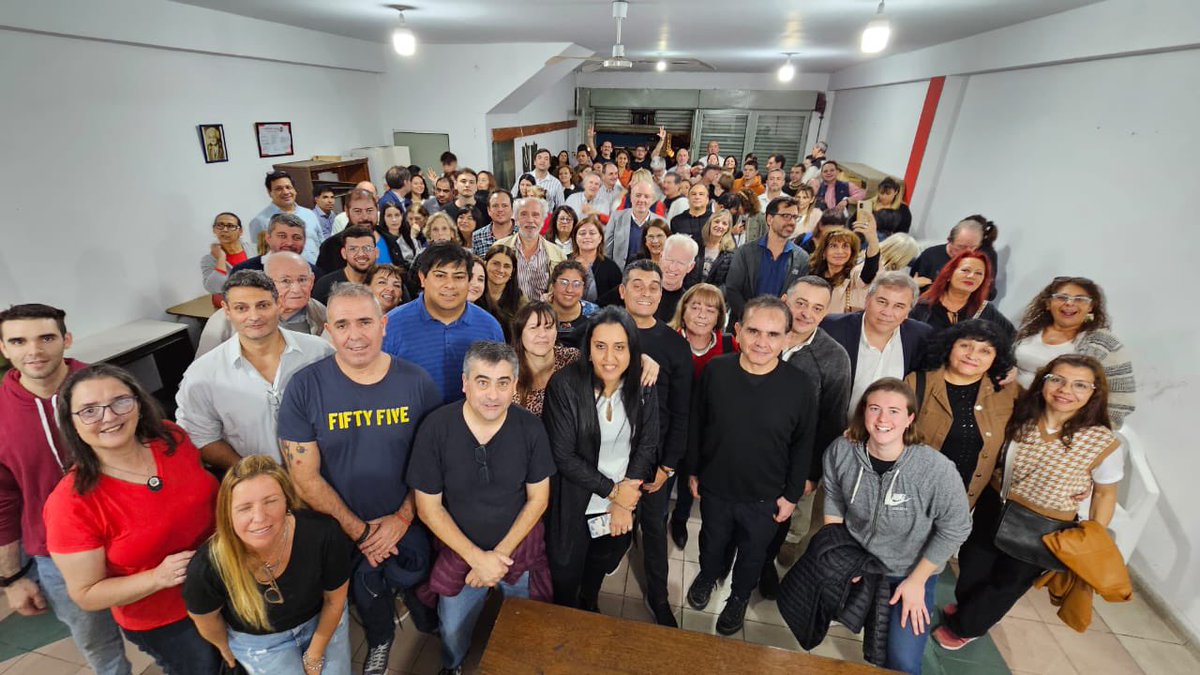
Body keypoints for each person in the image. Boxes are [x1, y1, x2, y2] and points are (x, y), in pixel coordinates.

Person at [277, 283, 442, 675]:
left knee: (415, 569)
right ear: (328, 330)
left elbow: (434, 463)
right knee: (364, 586)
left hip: (406, 516)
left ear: (383, 325)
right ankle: (381, 637)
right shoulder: (304, 387)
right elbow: (304, 478)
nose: (355, 335)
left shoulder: (417, 383)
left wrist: (402, 518)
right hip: (337, 524)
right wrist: (361, 532)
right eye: (343, 324)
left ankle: (414, 600)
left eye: (365, 322)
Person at [934, 355, 1123, 652]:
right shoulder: (1019, 414)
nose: (1065, 390)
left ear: (1094, 393)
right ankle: (972, 610)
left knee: (1008, 583)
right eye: (1057, 379)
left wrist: (1094, 534)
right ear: (1043, 382)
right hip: (994, 506)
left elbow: (1104, 493)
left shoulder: (1101, 441)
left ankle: (967, 627)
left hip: (1046, 525)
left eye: (1079, 385)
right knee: (973, 566)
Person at [44, 364, 221, 673]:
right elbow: (86, 594)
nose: (109, 417)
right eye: (89, 411)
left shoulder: (171, 438)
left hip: (227, 582)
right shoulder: (70, 503)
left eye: (120, 402)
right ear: (72, 424)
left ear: (138, 404)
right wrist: (157, 577)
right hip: (170, 619)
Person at [408, 342, 556, 674]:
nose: (493, 394)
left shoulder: (530, 429)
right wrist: (477, 559)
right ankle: (454, 666)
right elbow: (428, 508)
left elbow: (539, 499)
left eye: (503, 382)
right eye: (483, 381)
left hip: (516, 549)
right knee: (452, 629)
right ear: (465, 382)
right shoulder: (436, 428)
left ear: (514, 386)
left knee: (529, 625)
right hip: (460, 551)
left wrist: (496, 559)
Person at [0, 305, 132, 675]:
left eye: (46, 338)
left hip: (131, 536)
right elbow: (4, 500)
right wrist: (13, 577)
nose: (34, 351)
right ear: (4, 348)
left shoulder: (108, 387)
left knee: (175, 633)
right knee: (100, 648)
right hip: (56, 556)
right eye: (18, 341)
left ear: (66, 339)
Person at [822, 378, 972, 674]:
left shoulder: (936, 469)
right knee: (806, 617)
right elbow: (833, 498)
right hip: (859, 562)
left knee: (902, 661)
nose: (882, 419)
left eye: (894, 411)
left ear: (910, 419)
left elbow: (956, 528)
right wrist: (841, 560)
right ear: (863, 412)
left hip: (908, 572)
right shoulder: (842, 451)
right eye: (874, 408)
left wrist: (917, 582)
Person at [685, 297, 816, 635]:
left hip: (767, 496)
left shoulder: (800, 386)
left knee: (752, 554)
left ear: (787, 338)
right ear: (738, 331)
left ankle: (739, 598)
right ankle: (707, 576)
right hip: (716, 485)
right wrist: (694, 470)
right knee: (711, 543)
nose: (762, 342)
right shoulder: (717, 371)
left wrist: (791, 496)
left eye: (773, 334)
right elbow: (698, 423)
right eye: (754, 331)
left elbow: (804, 444)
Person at [184, 457, 353, 675]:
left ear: (287, 501)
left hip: (322, 619)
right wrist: (225, 649)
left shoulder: (323, 533)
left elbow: (335, 600)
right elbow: (206, 619)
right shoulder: (208, 566)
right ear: (228, 513)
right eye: (245, 508)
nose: (260, 517)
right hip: (260, 642)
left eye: (271, 501)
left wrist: (314, 655)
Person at [542, 307, 658, 611]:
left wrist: (623, 498)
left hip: (617, 506)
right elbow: (563, 456)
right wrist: (617, 494)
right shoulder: (565, 385)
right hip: (576, 503)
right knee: (566, 576)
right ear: (588, 349)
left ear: (632, 349)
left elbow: (647, 442)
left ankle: (589, 604)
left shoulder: (643, 385)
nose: (610, 357)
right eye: (600, 346)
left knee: (600, 563)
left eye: (620, 347)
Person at [177, 270, 333, 471]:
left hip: (324, 471)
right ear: (226, 310)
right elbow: (201, 437)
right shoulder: (203, 374)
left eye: (263, 305)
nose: (254, 316)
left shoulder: (319, 352)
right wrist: (253, 473)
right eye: (241, 308)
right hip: (256, 487)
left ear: (278, 304)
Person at [618, 261, 692, 627]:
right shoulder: (604, 332)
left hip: (654, 458)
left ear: (662, 294)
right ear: (622, 291)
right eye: (637, 285)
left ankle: (659, 597)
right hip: (608, 453)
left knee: (653, 525)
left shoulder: (675, 346)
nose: (646, 293)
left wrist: (668, 467)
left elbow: (681, 412)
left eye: (653, 287)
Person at [767, 277, 852, 573]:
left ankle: (765, 568)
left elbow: (832, 421)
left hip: (792, 463)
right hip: (747, 453)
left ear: (826, 312)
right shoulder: (761, 336)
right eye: (800, 303)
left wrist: (812, 475)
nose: (806, 313)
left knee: (778, 523)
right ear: (784, 299)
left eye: (817, 308)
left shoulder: (834, 357)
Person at [906, 319, 1019, 504]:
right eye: (965, 345)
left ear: (995, 357)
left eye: (985, 351)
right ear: (950, 346)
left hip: (964, 503)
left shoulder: (1007, 391)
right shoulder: (916, 383)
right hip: (911, 494)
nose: (972, 355)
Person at [383, 243, 505, 404]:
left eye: (459, 277)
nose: (450, 285)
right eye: (440, 275)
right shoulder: (391, 326)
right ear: (422, 278)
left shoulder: (489, 327)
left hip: (470, 425)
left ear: (469, 281)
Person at [664, 284, 737, 545]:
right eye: (695, 307)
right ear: (683, 311)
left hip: (707, 432)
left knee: (690, 480)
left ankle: (680, 520)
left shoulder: (731, 346)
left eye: (710, 309)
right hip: (669, 428)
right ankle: (656, 521)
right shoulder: (667, 339)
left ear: (720, 316)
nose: (702, 315)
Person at [1012, 277, 1135, 427]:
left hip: (1064, 424)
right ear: (1048, 303)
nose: (1069, 303)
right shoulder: (1029, 331)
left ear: (1091, 306)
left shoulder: (1103, 343)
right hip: (1013, 412)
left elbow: (1121, 396)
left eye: (1080, 299)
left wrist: (1087, 430)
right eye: (1062, 297)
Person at [822, 271, 934, 413]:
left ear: (909, 310)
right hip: (832, 429)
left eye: (899, 306)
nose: (887, 312)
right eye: (882, 302)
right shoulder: (832, 328)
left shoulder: (921, 336)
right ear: (867, 299)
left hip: (885, 430)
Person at [200, 251, 326, 357]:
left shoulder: (320, 312)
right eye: (285, 281)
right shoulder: (225, 320)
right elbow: (203, 372)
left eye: (302, 280)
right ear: (267, 282)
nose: (296, 289)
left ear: (312, 280)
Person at [724, 196, 812, 329]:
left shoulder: (802, 258)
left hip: (778, 329)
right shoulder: (745, 252)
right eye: (786, 216)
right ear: (769, 219)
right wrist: (750, 317)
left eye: (795, 217)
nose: (792, 222)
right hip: (743, 325)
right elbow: (732, 289)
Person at [910, 250, 1014, 336]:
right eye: (965, 270)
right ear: (949, 274)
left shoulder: (985, 310)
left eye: (979, 273)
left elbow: (1012, 337)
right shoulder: (922, 305)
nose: (971, 276)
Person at [511, 302, 580, 418]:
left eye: (548, 327)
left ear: (557, 331)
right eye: (533, 328)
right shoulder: (507, 370)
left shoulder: (573, 359)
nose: (542, 334)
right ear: (520, 333)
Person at [494, 197, 567, 301]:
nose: (530, 220)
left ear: (543, 220)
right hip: (507, 314)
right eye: (524, 214)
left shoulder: (558, 255)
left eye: (535, 215)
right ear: (516, 219)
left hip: (543, 313)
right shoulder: (500, 247)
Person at [247, 171, 323, 264]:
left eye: (288, 187)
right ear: (269, 192)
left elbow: (320, 243)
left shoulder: (309, 214)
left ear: (294, 189)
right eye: (279, 189)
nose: (286, 192)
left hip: (316, 272)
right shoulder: (261, 221)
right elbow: (259, 257)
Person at [809, 217, 880, 314]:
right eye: (834, 246)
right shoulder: (811, 273)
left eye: (845, 246)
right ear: (824, 252)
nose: (840, 252)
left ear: (852, 252)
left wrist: (873, 240)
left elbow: (870, 270)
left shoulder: (854, 275)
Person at [911, 216, 998, 295]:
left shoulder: (981, 261)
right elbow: (911, 285)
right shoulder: (930, 255)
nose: (967, 252)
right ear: (950, 240)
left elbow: (990, 294)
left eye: (972, 247)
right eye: (961, 247)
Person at [231, 212, 322, 277]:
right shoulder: (243, 271)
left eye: (296, 237)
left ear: (305, 241)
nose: (289, 243)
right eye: (282, 236)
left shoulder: (314, 273)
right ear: (268, 238)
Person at [312, 226, 379, 305]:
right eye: (353, 249)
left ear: (376, 252)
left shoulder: (386, 285)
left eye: (367, 248)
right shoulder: (325, 286)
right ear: (344, 253)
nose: (361, 254)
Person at [604, 181, 660, 268]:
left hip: (650, 274)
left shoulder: (661, 222)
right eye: (638, 195)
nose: (641, 200)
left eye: (646, 196)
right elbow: (607, 250)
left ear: (652, 199)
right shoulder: (616, 217)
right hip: (620, 274)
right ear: (630, 197)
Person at [200, 212, 252, 304]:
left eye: (230, 226)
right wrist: (221, 258)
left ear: (240, 231)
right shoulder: (209, 259)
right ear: (214, 230)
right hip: (228, 306)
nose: (224, 230)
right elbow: (214, 288)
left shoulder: (255, 250)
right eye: (220, 225)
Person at [570, 216, 622, 306]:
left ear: (600, 238)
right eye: (582, 233)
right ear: (575, 238)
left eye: (592, 233)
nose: (587, 237)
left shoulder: (611, 268)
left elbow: (618, 301)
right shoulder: (565, 262)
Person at [479, 244, 525, 341]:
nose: (501, 270)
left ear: (513, 271)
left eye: (507, 266)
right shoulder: (474, 294)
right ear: (485, 264)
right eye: (496, 264)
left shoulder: (520, 300)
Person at [548, 260, 598, 347]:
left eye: (577, 284)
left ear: (583, 288)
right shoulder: (537, 315)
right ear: (553, 285)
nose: (569, 289)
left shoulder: (596, 315)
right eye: (564, 283)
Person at [657, 234, 699, 323]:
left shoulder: (691, 305)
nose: (672, 267)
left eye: (681, 263)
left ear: (690, 267)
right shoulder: (640, 294)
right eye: (669, 259)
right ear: (660, 257)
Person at [697, 210, 736, 287]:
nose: (720, 226)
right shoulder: (696, 246)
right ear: (710, 223)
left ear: (728, 228)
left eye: (724, 224)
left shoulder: (730, 254)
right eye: (717, 221)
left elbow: (729, 284)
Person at [472, 190, 515, 256]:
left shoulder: (522, 234)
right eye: (495, 206)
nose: (500, 210)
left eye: (504, 205)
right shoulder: (477, 237)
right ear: (489, 210)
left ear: (512, 209)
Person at [671, 182, 714, 248]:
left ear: (707, 199)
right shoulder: (676, 221)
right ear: (688, 199)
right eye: (693, 194)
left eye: (701, 194)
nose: (697, 197)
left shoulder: (715, 220)